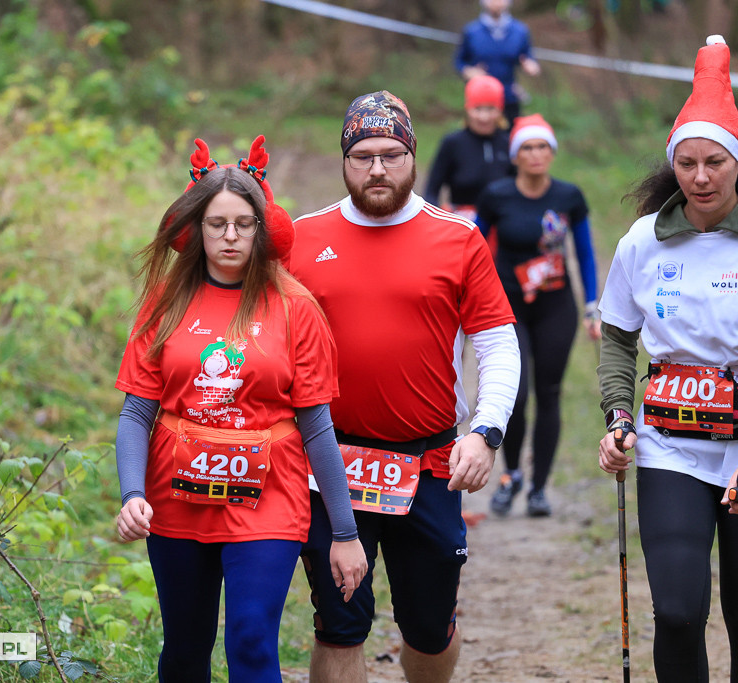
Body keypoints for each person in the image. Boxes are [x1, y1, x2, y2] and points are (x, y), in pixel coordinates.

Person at [596, 36, 738, 681]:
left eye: (714, 163)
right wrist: (617, 417)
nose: (700, 177)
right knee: (675, 610)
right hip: (670, 446)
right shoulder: (643, 240)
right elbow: (617, 339)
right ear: (674, 165)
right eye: (688, 162)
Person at [112, 136, 367, 683]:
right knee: (184, 649)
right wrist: (133, 493)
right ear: (195, 230)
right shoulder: (165, 304)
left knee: (251, 640)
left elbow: (317, 426)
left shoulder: (296, 308)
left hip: (269, 497)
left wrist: (345, 534)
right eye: (216, 223)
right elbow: (137, 412)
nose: (230, 236)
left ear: (262, 229)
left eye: (243, 224)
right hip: (176, 497)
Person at [289, 91, 520, 683]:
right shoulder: (303, 237)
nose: (376, 169)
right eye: (362, 155)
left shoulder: (458, 239)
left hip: (429, 458)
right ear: (343, 161)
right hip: (330, 456)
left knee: (427, 622)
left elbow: (496, 343)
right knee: (338, 622)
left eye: (390, 154)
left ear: (413, 156)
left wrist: (486, 431)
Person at [476, 113, 602, 518]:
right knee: (517, 394)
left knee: (548, 394)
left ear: (552, 152)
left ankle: (539, 488)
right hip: (507, 308)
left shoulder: (569, 197)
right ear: (515, 154)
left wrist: (591, 305)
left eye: (542, 146)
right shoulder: (496, 196)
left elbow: (583, 252)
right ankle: (511, 474)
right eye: (527, 147)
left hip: (555, 307)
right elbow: (473, 249)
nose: (535, 154)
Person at [423, 74, 512, 222]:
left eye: (491, 109)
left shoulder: (509, 144)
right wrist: (437, 221)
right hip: (461, 224)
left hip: (501, 225)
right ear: (467, 109)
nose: (484, 117)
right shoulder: (452, 143)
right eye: (477, 109)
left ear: (500, 110)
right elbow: (431, 191)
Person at [455, 0, 541, 126]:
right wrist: (469, 71)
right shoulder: (472, 31)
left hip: (508, 98)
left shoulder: (520, 31)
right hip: (480, 99)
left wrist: (531, 66)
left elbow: (528, 57)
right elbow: (459, 61)